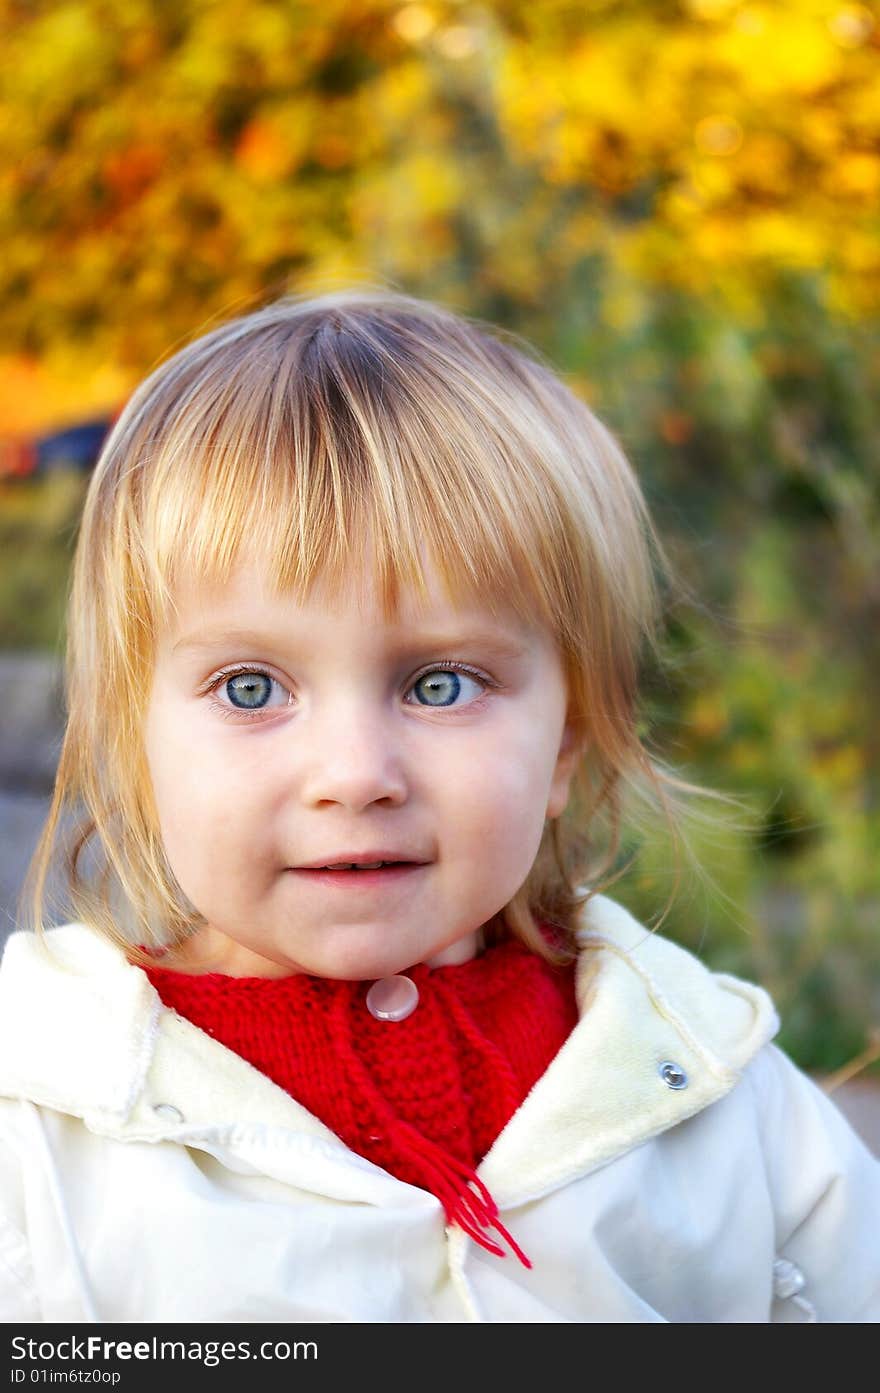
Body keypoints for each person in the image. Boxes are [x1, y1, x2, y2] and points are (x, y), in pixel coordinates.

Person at [1, 289, 878, 1325]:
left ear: (566, 740)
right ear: (131, 744)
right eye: (250, 687)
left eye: (439, 684)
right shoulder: (42, 1128)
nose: (355, 772)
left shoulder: (721, 1094)